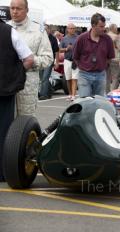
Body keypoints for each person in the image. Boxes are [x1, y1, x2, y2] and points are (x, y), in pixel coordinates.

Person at [0, 17, 34, 181]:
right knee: (4, 131)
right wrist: (16, 75)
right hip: (5, 89)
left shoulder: (9, 31)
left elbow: (29, 59)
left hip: (4, 91)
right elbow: (28, 59)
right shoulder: (9, 31)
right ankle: (3, 171)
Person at [9, 0, 53, 116]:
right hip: (6, 82)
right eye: (12, 8)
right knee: (5, 121)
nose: (14, 11)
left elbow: (48, 58)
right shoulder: (5, 28)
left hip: (27, 83)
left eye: (18, 8)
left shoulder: (38, 31)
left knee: (25, 122)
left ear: (27, 10)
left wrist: (31, 61)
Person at [73, 13, 115, 97]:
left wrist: (101, 66)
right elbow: (76, 57)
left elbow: (110, 58)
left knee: (99, 102)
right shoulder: (81, 39)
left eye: (104, 26)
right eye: (101, 26)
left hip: (100, 75)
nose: (103, 29)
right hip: (84, 75)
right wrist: (84, 67)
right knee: (85, 101)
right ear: (93, 25)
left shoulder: (107, 39)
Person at [39, 24, 59, 100]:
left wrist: (57, 62)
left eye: (46, 29)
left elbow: (57, 51)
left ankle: (43, 94)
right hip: (41, 60)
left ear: (49, 30)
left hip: (49, 60)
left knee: (45, 77)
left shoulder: (53, 38)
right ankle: (50, 90)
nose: (45, 30)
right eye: (43, 29)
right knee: (42, 78)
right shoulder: (40, 37)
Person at [59, 23, 78, 101]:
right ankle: (70, 94)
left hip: (75, 60)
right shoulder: (64, 39)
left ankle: (73, 95)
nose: (72, 30)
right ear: (67, 29)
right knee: (68, 78)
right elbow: (59, 49)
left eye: (73, 28)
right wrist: (67, 49)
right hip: (67, 60)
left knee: (74, 78)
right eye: (71, 28)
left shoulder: (78, 38)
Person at [106, 23, 120, 92]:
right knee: (115, 77)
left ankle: (106, 93)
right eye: (116, 28)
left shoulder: (105, 36)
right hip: (114, 58)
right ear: (114, 29)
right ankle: (113, 92)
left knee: (107, 77)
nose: (117, 30)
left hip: (106, 59)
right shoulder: (116, 36)